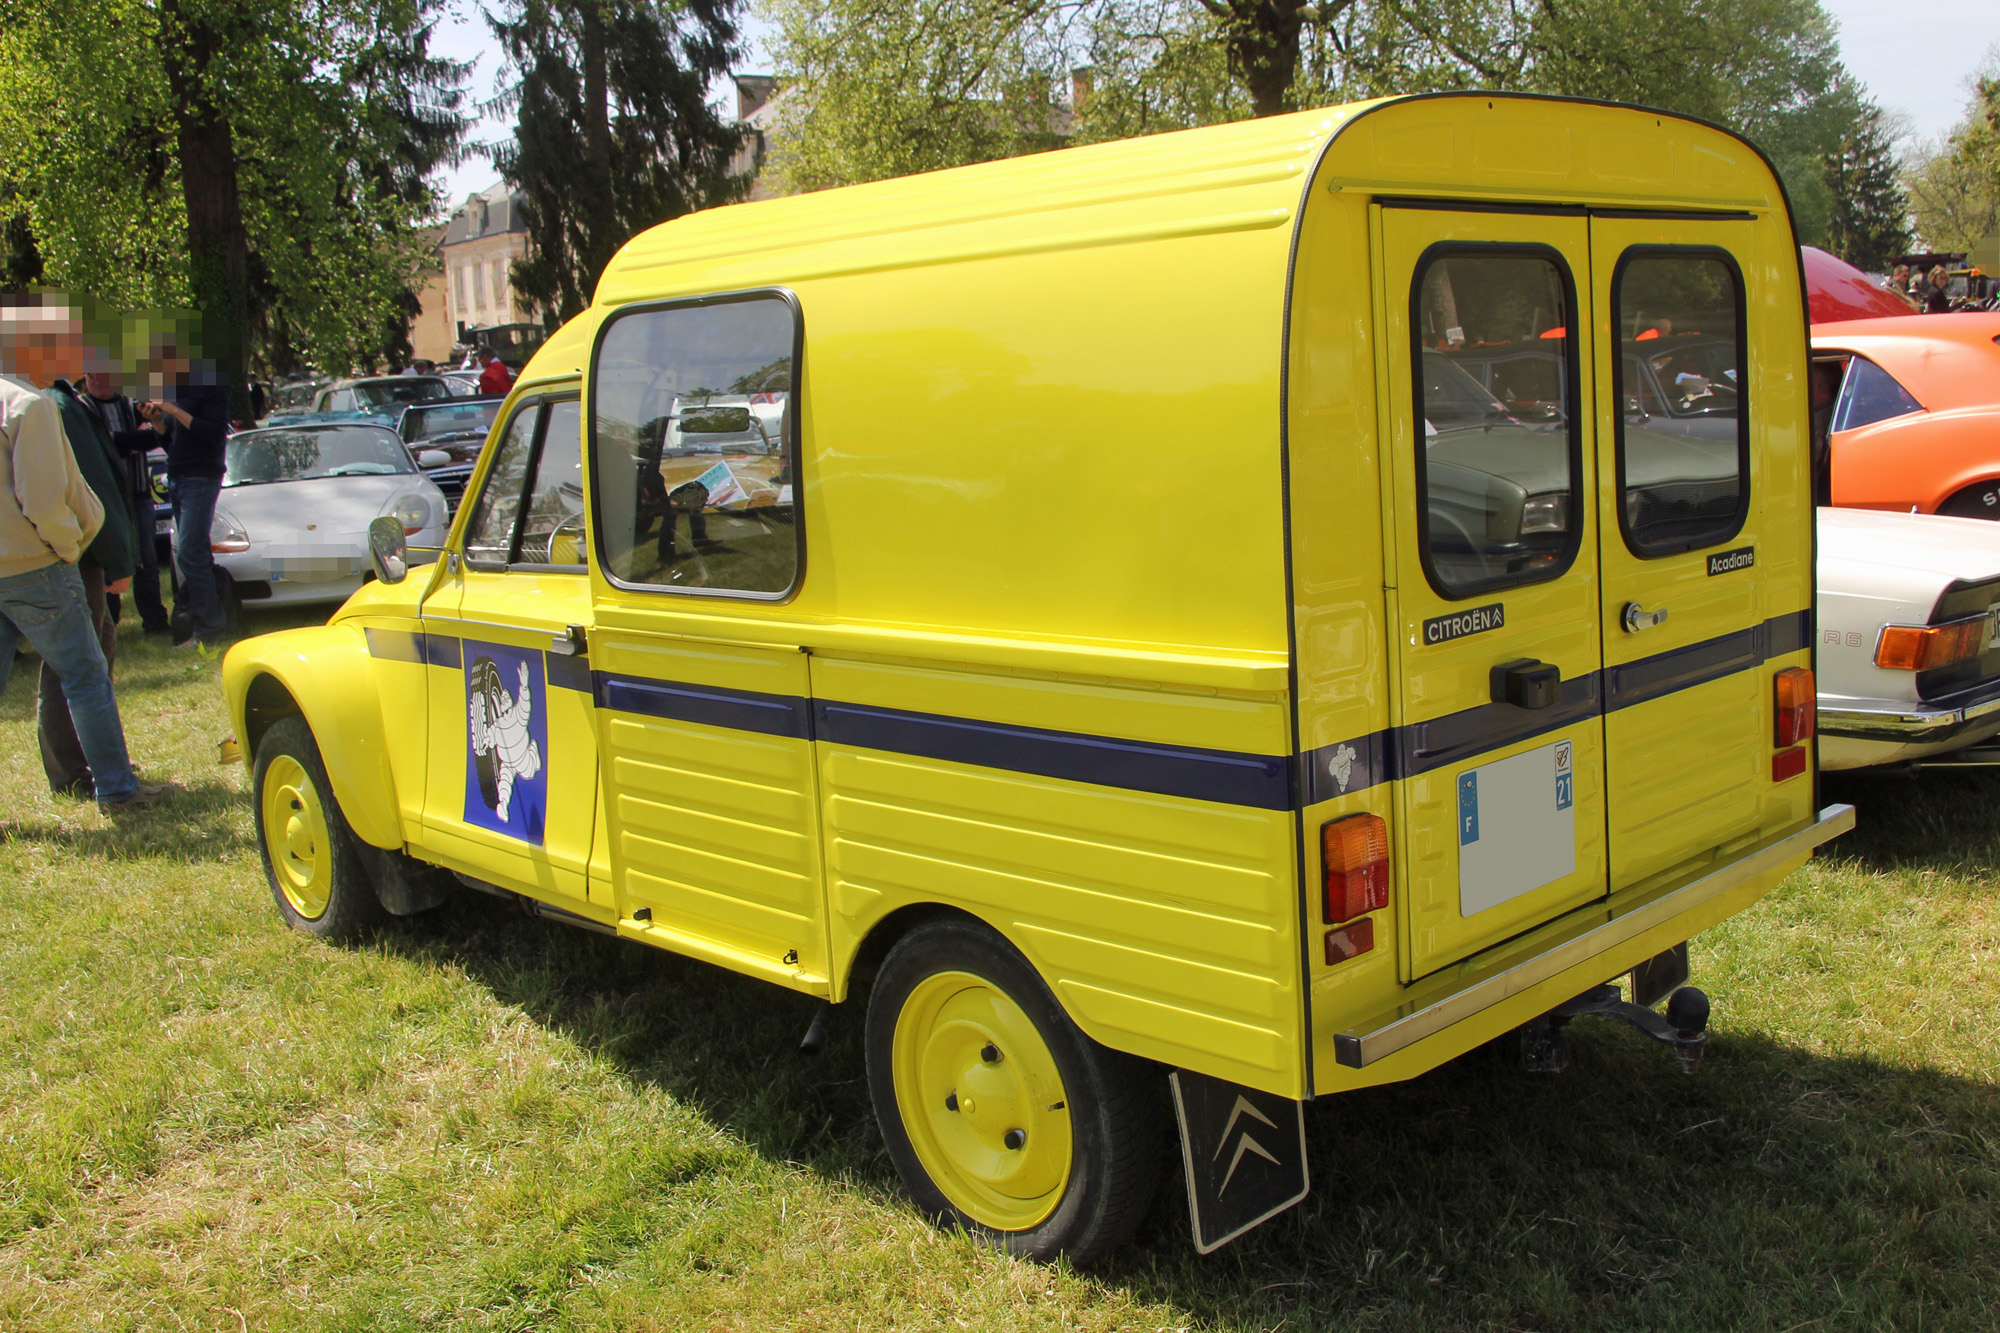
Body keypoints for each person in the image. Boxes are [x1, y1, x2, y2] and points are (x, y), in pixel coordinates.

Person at [0, 301, 168, 812]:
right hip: (34, 566)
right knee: (85, 674)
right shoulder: (32, 406)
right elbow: (45, 500)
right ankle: (118, 792)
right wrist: (69, 548)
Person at [40, 375, 138, 795]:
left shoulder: (56, 402)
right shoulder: (56, 405)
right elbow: (89, 488)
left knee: (97, 645)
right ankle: (78, 772)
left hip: (72, 551)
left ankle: (93, 761)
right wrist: (117, 556)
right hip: (75, 553)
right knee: (77, 664)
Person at [138, 342, 231, 651]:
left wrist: (174, 410)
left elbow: (215, 434)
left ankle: (210, 626)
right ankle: (210, 619)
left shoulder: (212, 385)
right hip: (176, 475)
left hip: (202, 476)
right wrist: (158, 420)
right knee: (196, 552)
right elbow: (170, 442)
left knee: (188, 552)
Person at [75, 369, 172, 635]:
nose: (98, 379)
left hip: (139, 493)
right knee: (106, 562)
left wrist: (130, 441)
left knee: (147, 560)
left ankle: (155, 620)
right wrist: (131, 440)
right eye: (92, 375)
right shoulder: (82, 407)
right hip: (103, 499)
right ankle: (109, 623)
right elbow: (108, 444)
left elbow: (157, 435)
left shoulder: (133, 404)